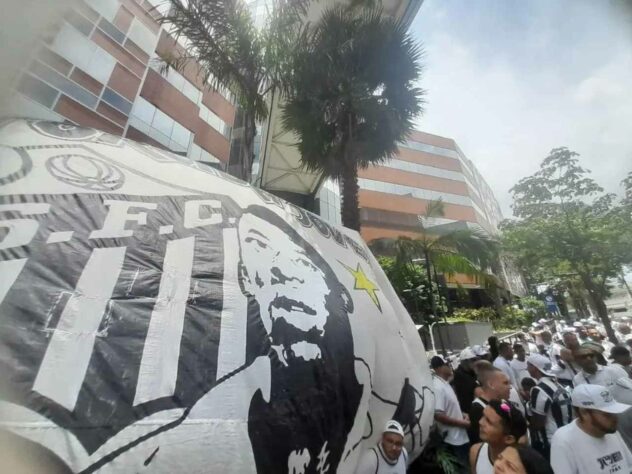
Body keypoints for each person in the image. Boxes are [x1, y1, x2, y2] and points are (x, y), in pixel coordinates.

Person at [237, 206, 362, 472]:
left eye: (301, 261)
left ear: (339, 296)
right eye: (258, 247)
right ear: (246, 279)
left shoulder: (367, 400)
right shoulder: (238, 404)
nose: (281, 271)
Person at [550, 384, 632, 474]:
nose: (614, 418)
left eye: (614, 412)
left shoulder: (611, 431)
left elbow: (629, 466)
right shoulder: (564, 441)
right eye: (607, 414)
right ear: (584, 413)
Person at [526, 354, 572, 459]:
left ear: (535, 368)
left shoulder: (539, 389)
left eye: (528, 365)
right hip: (567, 437)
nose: (527, 368)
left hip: (551, 441)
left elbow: (538, 422)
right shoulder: (559, 385)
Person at [432, 355, 471, 470]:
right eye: (447, 364)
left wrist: (463, 414)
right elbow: (439, 415)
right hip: (453, 440)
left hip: (460, 437)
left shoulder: (444, 383)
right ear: (439, 367)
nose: (450, 367)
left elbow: (450, 408)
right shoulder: (437, 387)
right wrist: (462, 423)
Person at [469, 400, 528, 474]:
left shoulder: (521, 467)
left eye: (489, 422)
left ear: (509, 439)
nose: (480, 422)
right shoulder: (476, 451)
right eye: (483, 416)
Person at [469, 365, 512, 444]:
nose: (510, 387)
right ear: (491, 384)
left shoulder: (503, 402)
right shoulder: (478, 408)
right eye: (505, 383)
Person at [455, 347, 482, 413]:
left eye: (475, 359)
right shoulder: (460, 375)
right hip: (470, 411)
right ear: (465, 361)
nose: (475, 362)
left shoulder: (471, 372)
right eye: (473, 360)